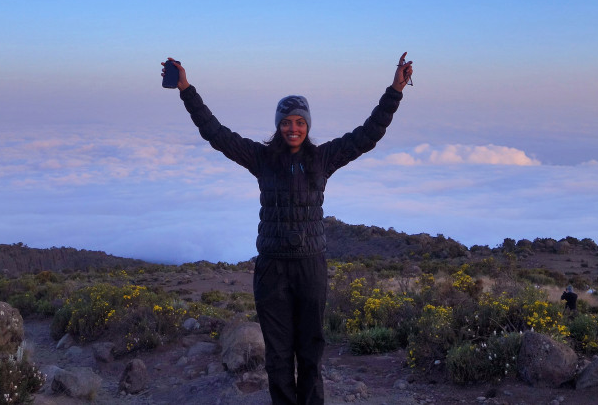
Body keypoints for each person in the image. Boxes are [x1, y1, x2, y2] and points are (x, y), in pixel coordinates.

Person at [162, 53, 414, 405]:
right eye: (286, 123)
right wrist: (186, 88)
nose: (292, 128)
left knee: (310, 352)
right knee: (278, 355)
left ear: (307, 126)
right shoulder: (261, 159)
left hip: (310, 267)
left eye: (299, 122)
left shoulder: (322, 158)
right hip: (272, 269)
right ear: (278, 126)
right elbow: (216, 133)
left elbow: (368, 134)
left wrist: (395, 89)